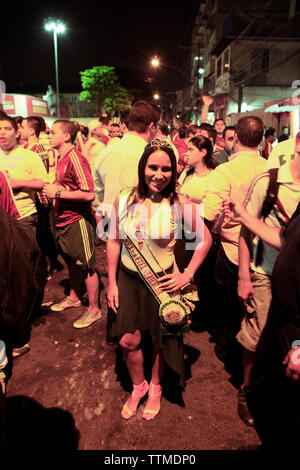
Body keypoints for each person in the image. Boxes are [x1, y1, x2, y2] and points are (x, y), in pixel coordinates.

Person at [106, 139, 212, 421]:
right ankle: (138, 386)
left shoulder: (180, 203)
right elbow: (113, 240)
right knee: (128, 341)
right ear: (143, 167)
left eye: (166, 169)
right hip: (128, 280)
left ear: (174, 171)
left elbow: (205, 239)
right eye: (153, 167)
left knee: (159, 341)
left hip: (163, 283)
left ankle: (155, 387)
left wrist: (187, 274)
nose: (159, 174)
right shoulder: (123, 197)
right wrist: (111, 283)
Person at [232, 131, 300, 426]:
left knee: (286, 344)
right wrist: (244, 275)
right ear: (297, 144)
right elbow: (246, 231)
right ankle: (246, 389)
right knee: (257, 336)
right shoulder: (269, 181)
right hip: (264, 275)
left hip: (295, 288)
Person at [196, 116, 268, 380]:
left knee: (228, 306)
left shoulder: (224, 171)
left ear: (235, 137)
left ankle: (229, 349)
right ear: (261, 139)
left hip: (230, 250)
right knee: (253, 308)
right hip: (262, 250)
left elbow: (211, 211)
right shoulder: (269, 168)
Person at [43, 120, 101, 329]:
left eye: (52, 132)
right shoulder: (61, 157)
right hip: (63, 220)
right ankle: (75, 296)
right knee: (71, 261)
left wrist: (57, 192)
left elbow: (89, 193)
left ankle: (94, 309)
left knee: (86, 266)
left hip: (77, 221)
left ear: (67, 136)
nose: (48, 135)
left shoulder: (76, 158)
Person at [0, 115, 48, 239]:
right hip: (1, 218)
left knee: (25, 257)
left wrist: (18, 183)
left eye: (7, 128)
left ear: (17, 133)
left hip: (23, 216)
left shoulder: (30, 156)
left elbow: (44, 184)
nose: (2, 132)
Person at [178, 136, 216, 204]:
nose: (187, 153)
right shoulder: (186, 173)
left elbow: (210, 209)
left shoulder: (213, 177)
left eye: (191, 150)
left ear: (203, 152)